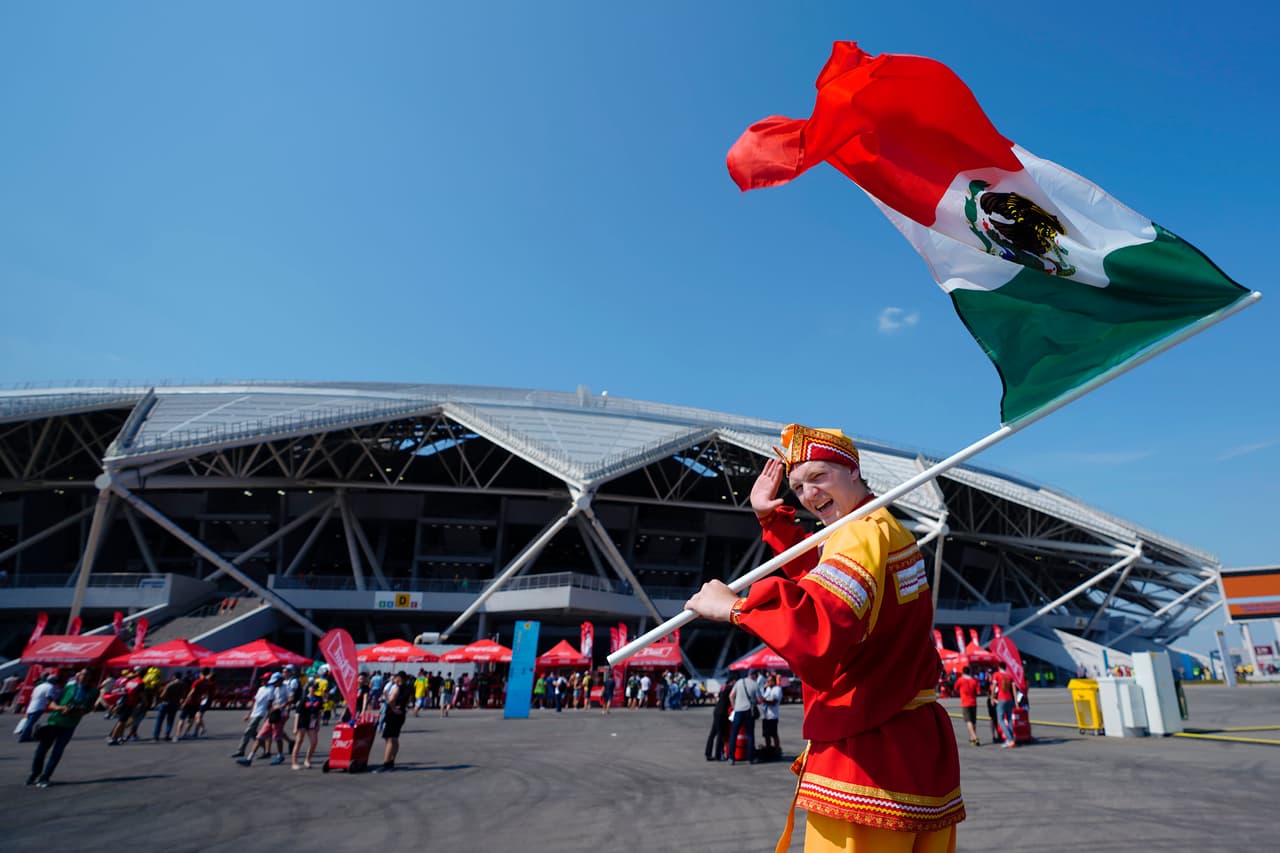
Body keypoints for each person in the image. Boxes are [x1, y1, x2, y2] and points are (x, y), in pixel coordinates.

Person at [686, 424, 964, 850]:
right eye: (798, 486)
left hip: (869, 757)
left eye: (819, 476)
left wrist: (734, 607)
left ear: (854, 471)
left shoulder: (858, 533)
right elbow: (824, 585)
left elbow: (821, 626)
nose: (809, 495)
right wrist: (771, 517)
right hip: (916, 750)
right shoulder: (883, 529)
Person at [28, 668, 98, 787]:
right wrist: (61, 708)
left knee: (57, 752)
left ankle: (45, 777)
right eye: (82, 674)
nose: (84, 677)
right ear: (78, 676)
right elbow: (52, 704)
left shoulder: (93, 691)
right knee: (41, 750)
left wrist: (81, 712)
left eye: (87, 675)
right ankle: (35, 774)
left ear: (90, 677)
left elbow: (90, 707)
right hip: (54, 722)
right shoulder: (69, 687)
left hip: (70, 725)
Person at [376, 671, 410, 773]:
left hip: (393, 714)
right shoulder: (408, 688)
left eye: (395, 678)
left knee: (389, 739)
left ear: (399, 678)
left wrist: (393, 707)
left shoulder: (397, 687)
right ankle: (392, 761)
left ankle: (386, 763)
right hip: (401, 714)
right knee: (395, 738)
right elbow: (409, 701)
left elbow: (391, 700)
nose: (393, 680)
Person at [726, 669, 758, 765]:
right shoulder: (754, 684)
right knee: (750, 735)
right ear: (754, 675)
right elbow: (759, 699)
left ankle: (731, 757)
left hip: (738, 710)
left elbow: (731, 695)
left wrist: (734, 706)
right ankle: (750, 758)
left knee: (733, 734)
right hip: (749, 711)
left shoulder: (739, 682)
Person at [18, 671, 61, 743]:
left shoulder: (39, 686)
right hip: (39, 706)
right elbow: (49, 697)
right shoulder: (50, 687)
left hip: (31, 705)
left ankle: (25, 735)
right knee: (30, 723)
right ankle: (24, 737)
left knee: (28, 722)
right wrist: (54, 704)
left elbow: (32, 696)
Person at [291, 680, 324, 769]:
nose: (313, 689)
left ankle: (307, 760)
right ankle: (294, 762)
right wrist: (295, 727)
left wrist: (318, 724)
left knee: (314, 742)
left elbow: (319, 712)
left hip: (312, 722)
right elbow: (297, 713)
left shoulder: (319, 699)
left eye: (314, 688)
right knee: (299, 741)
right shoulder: (303, 699)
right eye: (311, 687)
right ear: (308, 688)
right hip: (302, 721)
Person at [704, 677, 733, 761]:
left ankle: (708, 753)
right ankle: (718, 755)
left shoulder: (724, 687)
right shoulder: (730, 688)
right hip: (722, 712)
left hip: (717, 711)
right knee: (720, 734)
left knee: (713, 733)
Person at [955, 666, 981, 746]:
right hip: (973, 702)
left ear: (963, 672)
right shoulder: (974, 680)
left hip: (965, 702)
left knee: (968, 721)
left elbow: (955, 688)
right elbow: (978, 692)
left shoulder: (961, 680)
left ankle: (975, 737)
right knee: (973, 721)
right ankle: (972, 738)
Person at [992, 662, 1017, 747]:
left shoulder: (997, 674)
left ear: (999, 667)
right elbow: (1013, 689)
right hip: (1009, 698)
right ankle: (1011, 739)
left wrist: (992, 698)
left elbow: (994, 686)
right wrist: (1016, 701)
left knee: (1001, 720)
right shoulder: (1009, 675)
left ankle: (1010, 739)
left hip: (1001, 699)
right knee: (1009, 719)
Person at [759, 673, 783, 758]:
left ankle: (777, 749)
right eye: (767, 681)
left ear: (773, 681)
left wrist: (764, 701)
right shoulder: (767, 689)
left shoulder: (777, 689)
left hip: (773, 715)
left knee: (774, 734)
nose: (768, 682)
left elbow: (774, 702)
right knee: (766, 734)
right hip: (765, 715)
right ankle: (768, 749)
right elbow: (762, 697)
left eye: (769, 681)